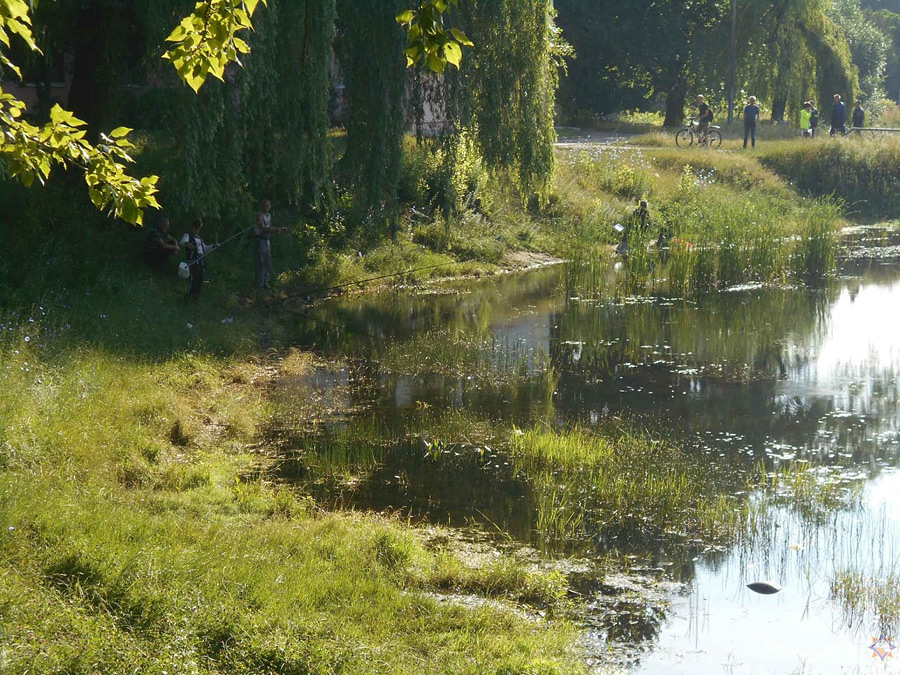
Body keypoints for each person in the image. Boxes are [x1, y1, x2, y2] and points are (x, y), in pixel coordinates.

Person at [254, 199, 286, 289]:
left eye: (267, 206)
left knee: (267, 262)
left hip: (267, 240)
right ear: (261, 206)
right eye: (264, 206)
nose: (266, 207)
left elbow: (269, 227)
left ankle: (265, 282)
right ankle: (259, 284)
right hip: (260, 240)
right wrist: (275, 230)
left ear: (270, 207)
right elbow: (263, 228)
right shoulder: (258, 215)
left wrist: (278, 228)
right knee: (260, 262)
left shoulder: (269, 215)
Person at [181, 218, 216, 299]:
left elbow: (205, 249)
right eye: (196, 229)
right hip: (192, 260)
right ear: (193, 227)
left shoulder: (199, 239)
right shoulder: (187, 235)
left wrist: (213, 246)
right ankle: (188, 295)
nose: (197, 231)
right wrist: (187, 244)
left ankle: (196, 295)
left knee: (199, 279)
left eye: (198, 229)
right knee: (193, 279)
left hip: (200, 261)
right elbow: (182, 242)